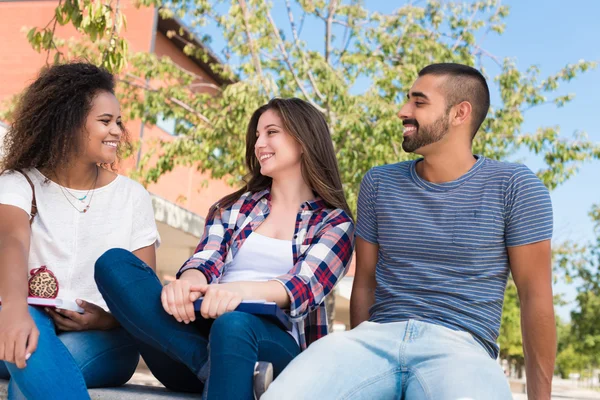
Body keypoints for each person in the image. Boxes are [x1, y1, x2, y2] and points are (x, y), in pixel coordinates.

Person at [264, 63, 555, 400]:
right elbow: (366, 283)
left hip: (461, 348)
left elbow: (535, 297)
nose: (403, 111)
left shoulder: (515, 187)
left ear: (460, 113)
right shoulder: (379, 182)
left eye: (419, 102)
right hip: (374, 339)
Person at [94, 97, 355, 399]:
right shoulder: (234, 208)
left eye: (271, 132)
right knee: (114, 263)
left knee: (234, 324)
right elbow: (206, 260)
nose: (259, 144)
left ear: (303, 139)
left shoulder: (334, 223)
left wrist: (236, 293)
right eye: (257, 136)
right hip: (193, 344)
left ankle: (218, 365)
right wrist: (187, 284)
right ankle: (207, 365)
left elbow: (301, 287)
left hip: (271, 350)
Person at [0, 62, 160, 400]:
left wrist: (106, 320)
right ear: (67, 123)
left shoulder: (132, 197)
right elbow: (11, 240)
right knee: (30, 341)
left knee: (35, 364)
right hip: (20, 323)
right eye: (105, 121)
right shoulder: (18, 183)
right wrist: (13, 308)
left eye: (118, 121)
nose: (117, 131)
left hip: (106, 340)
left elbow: (144, 293)